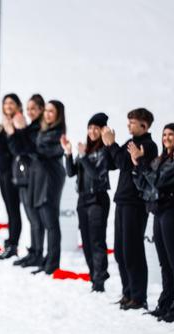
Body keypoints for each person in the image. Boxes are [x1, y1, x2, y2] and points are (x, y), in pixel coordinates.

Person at [102, 108, 158, 310]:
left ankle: (138, 296)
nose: (128, 125)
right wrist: (108, 145)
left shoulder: (149, 146)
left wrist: (112, 145)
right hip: (123, 200)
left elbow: (125, 164)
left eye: (132, 122)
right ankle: (127, 292)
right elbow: (113, 163)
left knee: (133, 250)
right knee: (120, 251)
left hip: (136, 203)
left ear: (144, 125)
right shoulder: (130, 143)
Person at [132, 123, 174, 322]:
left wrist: (142, 164)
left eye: (170, 134)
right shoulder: (160, 159)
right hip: (158, 211)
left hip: (171, 211)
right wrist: (138, 165)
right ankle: (165, 304)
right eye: (164, 134)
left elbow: (157, 181)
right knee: (164, 262)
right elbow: (143, 183)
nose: (166, 137)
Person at [62, 113, 111, 292]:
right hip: (82, 199)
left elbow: (97, 174)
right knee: (86, 241)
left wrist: (82, 157)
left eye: (95, 128)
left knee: (97, 240)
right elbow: (71, 172)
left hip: (97, 199)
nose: (91, 131)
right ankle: (94, 275)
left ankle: (99, 279)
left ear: (102, 130)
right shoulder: (86, 150)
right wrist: (68, 154)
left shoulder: (104, 151)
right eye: (89, 128)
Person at [7, 94, 46, 268]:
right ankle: (34, 251)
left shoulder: (38, 128)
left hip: (34, 177)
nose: (30, 112)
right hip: (25, 177)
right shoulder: (31, 127)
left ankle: (38, 253)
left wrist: (19, 131)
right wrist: (13, 132)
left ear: (41, 110)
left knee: (35, 218)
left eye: (33, 108)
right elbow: (16, 149)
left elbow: (28, 149)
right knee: (31, 217)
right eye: (28, 108)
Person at [31, 100, 66, 275]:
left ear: (59, 114)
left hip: (51, 179)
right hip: (41, 178)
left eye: (52, 111)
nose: (47, 114)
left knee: (51, 223)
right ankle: (48, 258)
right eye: (46, 111)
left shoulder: (58, 133)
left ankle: (53, 262)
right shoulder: (44, 131)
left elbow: (44, 152)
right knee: (45, 221)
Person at [0, 94, 23, 258]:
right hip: (2, 172)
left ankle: (13, 245)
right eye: (5, 103)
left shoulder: (17, 122)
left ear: (17, 106)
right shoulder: (3, 123)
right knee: (9, 210)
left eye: (11, 103)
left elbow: (13, 148)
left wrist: (9, 131)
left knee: (13, 210)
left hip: (12, 173)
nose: (8, 106)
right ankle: (10, 243)